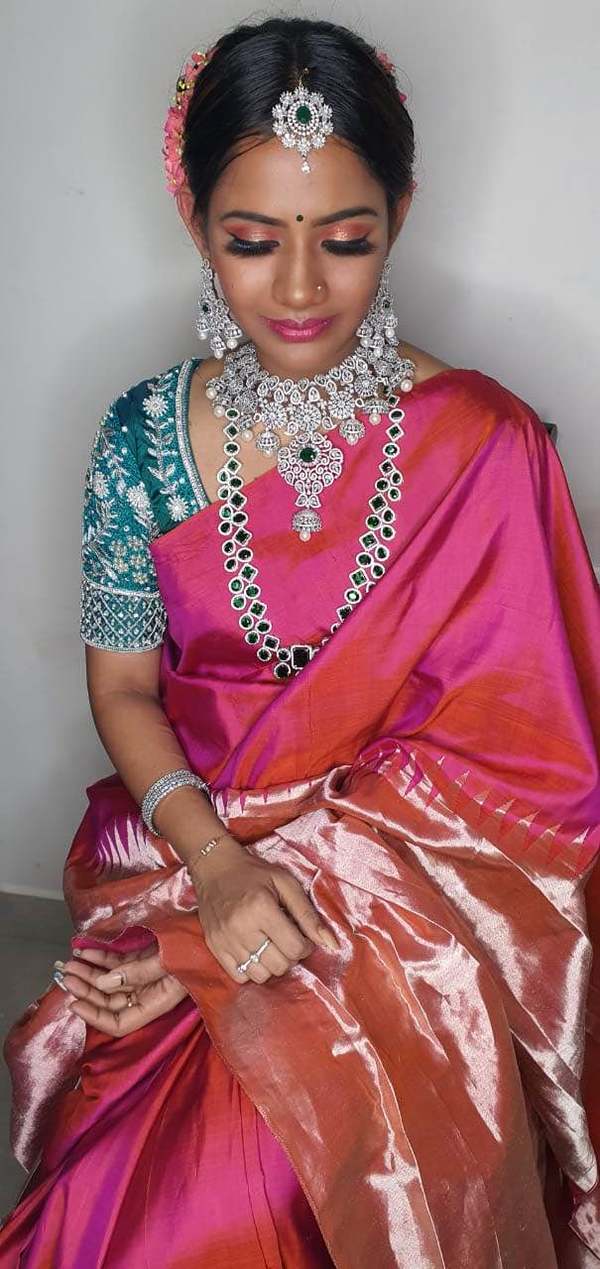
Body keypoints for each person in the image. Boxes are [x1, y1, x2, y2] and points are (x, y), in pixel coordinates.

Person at [1, 14, 599, 1267]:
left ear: (402, 215)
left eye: (346, 239)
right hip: (186, 848)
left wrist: (216, 946)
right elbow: (124, 692)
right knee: (109, 1201)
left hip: (406, 927)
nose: (299, 290)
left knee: (237, 1198)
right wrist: (211, 882)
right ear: (193, 219)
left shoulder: (486, 449)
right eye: (252, 240)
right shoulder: (138, 441)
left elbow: (522, 781)